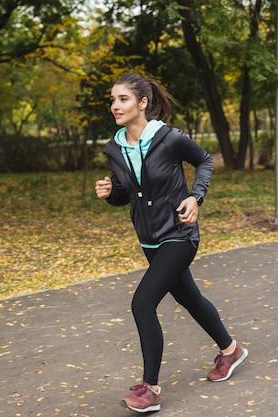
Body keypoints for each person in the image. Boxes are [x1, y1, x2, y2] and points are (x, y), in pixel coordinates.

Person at [95, 72, 249, 413]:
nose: (115, 106)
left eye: (122, 99)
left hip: (179, 234)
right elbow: (127, 195)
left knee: (142, 303)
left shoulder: (168, 138)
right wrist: (110, 194)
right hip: (149, 240)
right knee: (189, 297)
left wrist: (196, 197)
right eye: (112, 100)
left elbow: (204, 160)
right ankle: (231, 350)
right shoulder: (115, 147)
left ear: (143, 103)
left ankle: (150, 388)